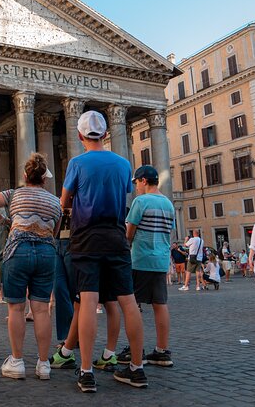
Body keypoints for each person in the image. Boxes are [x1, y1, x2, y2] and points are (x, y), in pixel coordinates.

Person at [60, 110, 146, 392]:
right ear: (106, 134)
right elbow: (124, 194)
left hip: (85, 237)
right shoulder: (123, 164)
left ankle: (86, 373)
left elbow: (64, 202)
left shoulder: (77, 163)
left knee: (88, 301)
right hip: (116, 235)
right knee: (128, 301)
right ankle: (137, 368)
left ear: (80, 135)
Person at [0, 153, 61, 380]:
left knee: (16, 308)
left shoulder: (14, 194)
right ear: (44, 179)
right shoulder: (55, 201)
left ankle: (16, 361)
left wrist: (4, 220)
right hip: (46, 253)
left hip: (17, 251)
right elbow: (54, 232)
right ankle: (43, 364)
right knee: (42, 310)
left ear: (25, 175)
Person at [124, 165, 176, 367]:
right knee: (160, 304)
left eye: (136, 182)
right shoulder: (168, 204)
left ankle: (135, 350)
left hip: (141, 259)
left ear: (144, 181)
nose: (136, 187)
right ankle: (162, 351)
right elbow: (168, 232)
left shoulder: (141, 201)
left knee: (132, 305)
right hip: (161, 260)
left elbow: (129, 233)